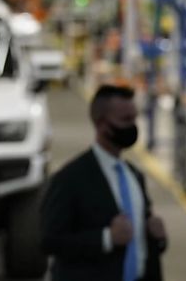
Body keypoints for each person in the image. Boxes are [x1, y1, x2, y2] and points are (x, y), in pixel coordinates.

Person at [40, 85, 167, 281]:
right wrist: (106, 238)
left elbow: (141, 242)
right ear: (101, 124)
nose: (133, 126)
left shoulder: (134, 176)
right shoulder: (69, 179)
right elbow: (49, 240)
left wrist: (156, 236)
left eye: (134, 118)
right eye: (125, 120)